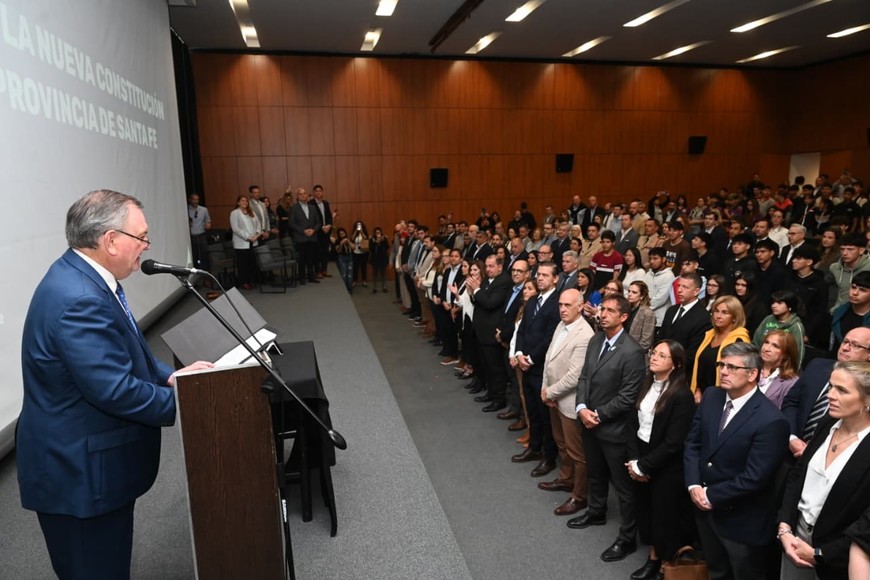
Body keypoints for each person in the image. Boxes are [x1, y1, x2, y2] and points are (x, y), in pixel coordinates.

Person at [17, 189, 213, 579]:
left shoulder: (83, 277)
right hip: (81, 476)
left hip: (84, 465)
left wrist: (169, 376)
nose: (147, 246)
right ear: (110, 240)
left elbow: (129, 351)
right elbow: (115, 390)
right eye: (142, 237)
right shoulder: (80, 299)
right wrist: (194, 399)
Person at [683, 342, 790, 580]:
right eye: (722, 365)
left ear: (752, 374)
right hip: (705, 511)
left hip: (742, 521)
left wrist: (710, 495)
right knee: (716, 571)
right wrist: (693, 485)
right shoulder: (712, 396)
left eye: (732, 367)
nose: (723, 371)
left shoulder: (771, 420)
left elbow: (755, 477)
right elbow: (693, 443)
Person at [570, 294, 647, 564]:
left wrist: (597, 415)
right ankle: (596, 512)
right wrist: (581, 407)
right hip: (588, 421)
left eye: (610, 311)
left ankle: (627, 538)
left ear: (623, 317)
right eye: (602, 309)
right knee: (596, 473)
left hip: (614, 429)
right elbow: (584, 377)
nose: (603, 314)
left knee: (624, 488)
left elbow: (627, 397)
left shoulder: (633, 351)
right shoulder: (595, 340)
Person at [778, 361, 870, 580]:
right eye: (830, 386)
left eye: (842, 390)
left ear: (867, 400)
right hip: (795, 539)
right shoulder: (828, 422)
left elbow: (866, 524)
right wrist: (785, 528)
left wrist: (819, 555)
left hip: (840, 557)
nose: (830, 395)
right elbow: (798, 475)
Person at [625, 340, 697, 580]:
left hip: (666, 464)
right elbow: (633, 423)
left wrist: (643, 466)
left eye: (662, 355)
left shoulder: (682, 395)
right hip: (641, 455)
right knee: (644, 510)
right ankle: (656, 556)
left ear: (675, 364)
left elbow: (674, 442)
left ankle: (660, 562)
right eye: (653, 353)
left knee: (664, 516)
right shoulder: (646, 383)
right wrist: (634, 460)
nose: (654, 357)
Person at [539, 288, 595, 516]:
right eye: (560, 305)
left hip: (569, 401)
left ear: (580, 307)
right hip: (554, 397)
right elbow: (549, 357)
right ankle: (565, 479)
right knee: (561, 443)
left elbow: (575, 376)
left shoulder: (585, 334)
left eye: (567, 305)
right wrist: (545, 387)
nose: (562, 309)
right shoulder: (561, 324)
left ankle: (579, 497)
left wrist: (550, 392)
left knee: (577, 453)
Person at [780, 327, 870, 461]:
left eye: (855, 345)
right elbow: (791, 402)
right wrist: (792, 438)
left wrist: (815, 448)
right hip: (788, 450)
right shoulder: (817, 366)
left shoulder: (866, 389)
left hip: (829, 458)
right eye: (845, 341)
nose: (845, 348)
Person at [512, 262, 561, 477]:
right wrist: (519, 353)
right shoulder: (532, 300)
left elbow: (550, 338)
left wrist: (531, 358)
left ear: (555, 279)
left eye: (545, 275)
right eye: (539, 274)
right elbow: (522, 330)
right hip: (526, 364)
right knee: (532, 410)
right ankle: (534, 447)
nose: (540, 278)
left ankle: (548, 458)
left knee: (545, 415)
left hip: (542, 367)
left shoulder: (557, 303)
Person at [690, 295, 751, 400]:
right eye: (716, 311)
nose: (718, 316)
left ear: (734, 317)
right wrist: (697, 389)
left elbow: (738, 375)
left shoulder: (739, 340)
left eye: (724, 312)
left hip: (724, 397)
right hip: (701, 395)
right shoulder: (709, 335)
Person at [657, 272, 712, 382]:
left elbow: (693, 353)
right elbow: (661, 337)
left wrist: (669, 362)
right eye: (679, 286)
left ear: (696, 291)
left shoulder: (704, 317)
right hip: (660, 368)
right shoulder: (671, 310)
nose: (679, 290)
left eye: (685, 287)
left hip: (681, 374)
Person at [753, 289, 807, 367]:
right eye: (773, 302)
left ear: (789, 306)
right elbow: (756, 343)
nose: (774, 306)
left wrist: (791, 371)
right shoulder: (768, 319)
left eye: (779, 303)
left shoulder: (796, 326)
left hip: (783, 368)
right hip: (761, 364)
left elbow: (798, 355)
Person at [758, 330, 801, 409]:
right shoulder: (749, 367)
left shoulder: (791, 382)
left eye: (775, 346)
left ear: (786, 354)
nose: (766, 349)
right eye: (766, 342)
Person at [289, 187, 321, 284]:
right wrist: (303, 231)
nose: (303, 195)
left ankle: (311, 276)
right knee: (301, 259)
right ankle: (302, 277)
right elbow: (291, 223)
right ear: (297, 197)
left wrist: (313, 230)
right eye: (301, 194)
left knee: (311, 258)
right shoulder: (294, 208)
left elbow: (318, 222)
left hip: (312, 237)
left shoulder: (312, 208)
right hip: (300, 237)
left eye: (304, 193)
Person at [229, 194, 261, 290]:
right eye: (242, 201)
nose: (245, 202)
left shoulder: (252, 212)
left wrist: (257, 234)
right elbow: (235, 229)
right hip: (241, 243)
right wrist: (248, 237)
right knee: (243, 264)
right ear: (238, 202)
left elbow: (258, 224)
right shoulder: (234, 213)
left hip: (253, 241)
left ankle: (251, 280)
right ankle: (244, 282)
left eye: (246, 201)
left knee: (251, 263)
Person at [625, 281, 656, 351]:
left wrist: (630, 352)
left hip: (636, 352)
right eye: (629, 291)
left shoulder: (648, 313)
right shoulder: (625, 309)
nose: (629, 294)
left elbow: (646, 342)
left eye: (634, 292)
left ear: (642, 296)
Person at [187, 193, 211, 271]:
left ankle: (205, 273)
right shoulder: (186, 209)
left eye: (197, 200)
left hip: (201, 235)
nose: (196, 201)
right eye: (194, 200)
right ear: (190, 200)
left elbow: (208, 220)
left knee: (204, 256)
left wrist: (208, 224)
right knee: (193, 256)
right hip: (191, 236)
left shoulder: (204, 210)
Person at [369, 226, 390, 293]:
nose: (378, 234)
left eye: (379, 232)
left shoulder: (384, 239)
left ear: (381, 233)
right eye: (376, 232)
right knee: (375, 273)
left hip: (383, 258)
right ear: (374, 233)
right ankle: (375, 287)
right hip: (375, 259)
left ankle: (384, 287)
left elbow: (387, 247)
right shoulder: (372, 239)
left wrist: (383, 241)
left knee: (383, 273)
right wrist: (376, 242)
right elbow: (370, 248)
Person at [334, 227, 353, 293]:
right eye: (340, 234)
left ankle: (350, 289)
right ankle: (344, 290)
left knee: (350, 275)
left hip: (349, 257)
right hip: (342, 258)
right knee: (344, 274)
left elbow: (354, 247)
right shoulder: (337, 241)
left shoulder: (348, 239)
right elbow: (338, 251)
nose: (342, 234)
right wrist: (341, 244)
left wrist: (348, 242)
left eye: (343, 233)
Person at [351, 220, 370, 287]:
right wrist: (356, 231)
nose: (358, 226)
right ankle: (355, 281)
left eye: (360, 225)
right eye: (357, 225)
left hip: (363, 252)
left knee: (363, 267)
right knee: (355, 267)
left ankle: (364, 281)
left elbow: (366, 238)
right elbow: (352, 239)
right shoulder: (354, 232)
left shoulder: (364, 232)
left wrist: (361, 232)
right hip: (355, 252)